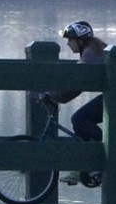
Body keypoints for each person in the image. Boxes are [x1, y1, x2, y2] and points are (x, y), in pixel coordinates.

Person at [42, 20, 108, 186]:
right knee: (80, 121)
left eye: (70, 40)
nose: (68, 44)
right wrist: (58, 96)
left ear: (79, 40)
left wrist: (53, 96)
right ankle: (85, 166)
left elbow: (77, 83)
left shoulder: (91, 54)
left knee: (79, 119)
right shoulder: (92, 50)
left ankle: (107, 153)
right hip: (115, 96)